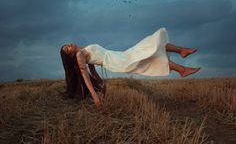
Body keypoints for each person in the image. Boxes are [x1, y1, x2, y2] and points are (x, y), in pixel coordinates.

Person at [61, 28, 201, 108]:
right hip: (117, 62)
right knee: (150, 58)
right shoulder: (79, 55)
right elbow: (86, 76)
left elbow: (93, 71)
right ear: (71, 55)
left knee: (149, 46)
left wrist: (101, 84)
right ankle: (181, 69)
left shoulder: (84, 50)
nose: (69, 45)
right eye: (67, 49)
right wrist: (95, 96)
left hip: (119, 56)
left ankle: (181, 52)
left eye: (66, 45)